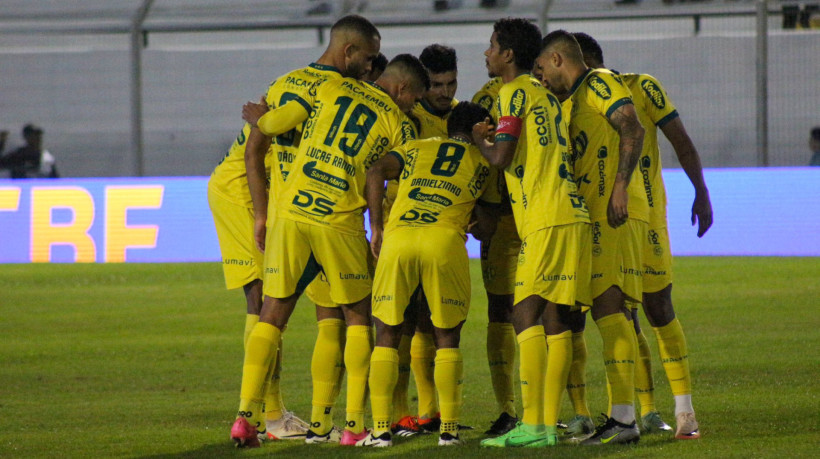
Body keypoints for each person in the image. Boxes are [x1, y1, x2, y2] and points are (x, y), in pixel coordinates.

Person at [232, 54, 427, 447]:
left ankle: (245, 417)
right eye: (414, 98)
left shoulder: (328, 86)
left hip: (291, 213)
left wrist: (258, 120)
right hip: (338, 219)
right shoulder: (399, 124)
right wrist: (379, 227)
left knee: (272, 313)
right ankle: (353, 426)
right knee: (357, 316)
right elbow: (393, 180)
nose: (412, 106)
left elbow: (275, 124)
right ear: (403, 89)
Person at [208, 14, 381, 448]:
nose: (370, 69)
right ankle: (269, 414)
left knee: (323, 308)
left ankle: (321, 422)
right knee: (263, 300)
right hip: (246, 193)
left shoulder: (296, 84)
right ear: (349, 52)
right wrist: (261, 215)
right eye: (368, 59)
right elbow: (253, 152)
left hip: (298, 205)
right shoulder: (318, 88)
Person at [566, 31, 710, 440]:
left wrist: (701, 190)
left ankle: (683, 411)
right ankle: (634, 413)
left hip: (647, 214)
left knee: (656, 306)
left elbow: (680, 140)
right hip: (608, 218)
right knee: (620, 312)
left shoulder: (640, 86)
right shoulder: (569, 103)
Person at [470, 18, 592, 448]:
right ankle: (543, 425)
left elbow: (501, 158)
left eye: (491, 46)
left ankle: (534, 424)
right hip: (569, 212)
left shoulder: (512, 91)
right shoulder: (547, 96)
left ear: (507, 55)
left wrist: (477, 141)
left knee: (523, 313)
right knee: (556, 321)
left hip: (546, 216)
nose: (486, 53)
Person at [535, 29, 647, 446]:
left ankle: (624, 420)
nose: (543, 77)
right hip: (592, 219)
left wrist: (619, 187)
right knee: (603, 311)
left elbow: (632, 129)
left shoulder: (598, 82)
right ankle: (620, 418)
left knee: (611, 309)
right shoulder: (570, 102)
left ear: (559, 59)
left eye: (544, 67)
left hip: (612, 215)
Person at [357, 101, 492, 447]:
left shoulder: (416, 148)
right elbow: (488, 228)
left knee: (387, 331)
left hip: (399, 237)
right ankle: (448, 431)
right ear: (480, 129)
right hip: (442, 241)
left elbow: (375, 170)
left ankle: (380, 430)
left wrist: (376, 226)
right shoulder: (484, 162)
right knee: (446, 336)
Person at [385, 43, 462, 438]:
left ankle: (430, 411)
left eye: (450, 83)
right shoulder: (410, 120)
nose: (444, 92)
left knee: (432, 320)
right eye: (436, 85)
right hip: (399, 226)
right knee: (402, 321)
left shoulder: (461, 118)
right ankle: (399, 414)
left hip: (438, 230)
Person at [470, 76, 522, 437]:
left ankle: (554, 411)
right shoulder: (486, 96)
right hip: (501, 218)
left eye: (493, 46)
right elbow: (478, 157)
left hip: (537, 215)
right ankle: (509, 410)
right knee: (501, 309)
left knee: (552, 312)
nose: (487, 53)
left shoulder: (540, 91)